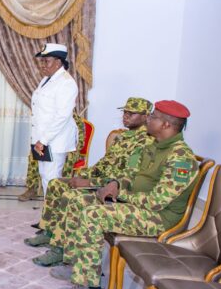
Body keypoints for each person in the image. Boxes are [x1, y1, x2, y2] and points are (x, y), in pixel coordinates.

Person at [34, 100, 198, 289]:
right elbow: (132, 175)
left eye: (154, 117)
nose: (149, 119)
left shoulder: (181, 157)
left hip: (159, 218)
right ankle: (77, 264)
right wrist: (116, 184)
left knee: (93, 215)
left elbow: (156, 202)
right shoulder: (155, 146)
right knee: (78, 200)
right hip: (137, 205)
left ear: (166, 124)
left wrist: (120, 193)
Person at [25, 97, 153, 248]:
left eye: (132, 113)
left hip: (112, 189)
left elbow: (126, 178)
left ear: (146, 117)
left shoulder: (145, 142)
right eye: (125, 112)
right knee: (55, 184)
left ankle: (60, 246)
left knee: (69, 195)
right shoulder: (123, 137)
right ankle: (49, 232)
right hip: (101, 180)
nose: (126, 116)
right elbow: (104, 163)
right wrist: (84, 174)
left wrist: (88, 182)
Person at [28, 43, 79, 194]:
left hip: (54, 140)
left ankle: (53, 209)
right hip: (43, 139)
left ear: (58, 62)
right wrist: (40, 139)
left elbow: (62, 116)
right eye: (42, 61)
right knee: (45, 176)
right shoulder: (47, 79)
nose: (43, 65)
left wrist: (43, 140)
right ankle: (49, 209)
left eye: (46, 61)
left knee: (51, 179)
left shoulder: (66, 83)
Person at [18, 112, 85, 201]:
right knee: (33, 156)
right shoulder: (45, 116)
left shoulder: (74, 119)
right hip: (46, 145)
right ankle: (33, 188)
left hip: (67, 149)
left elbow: (80, 143)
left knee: (55, 172)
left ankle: (62, 191)